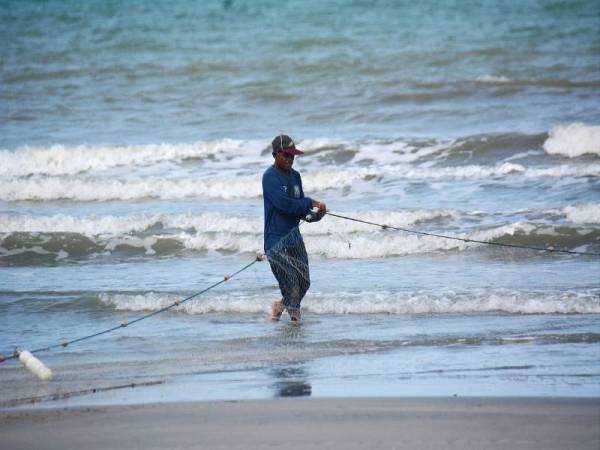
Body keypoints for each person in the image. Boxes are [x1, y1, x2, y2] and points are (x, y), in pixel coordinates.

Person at [262, 135, 326, 322]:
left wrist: (314, 216)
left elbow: (300, 211)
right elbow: (284, 205)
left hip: (294, 238)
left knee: (304, 282)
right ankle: (295, 322)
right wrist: (311, 202)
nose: (290, 159)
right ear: (275, 155)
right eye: (286, 155)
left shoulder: (296, 176)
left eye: (292, 156)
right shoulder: (269, 177)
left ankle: (280, 306)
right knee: (290, 283)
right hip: (276, 241)